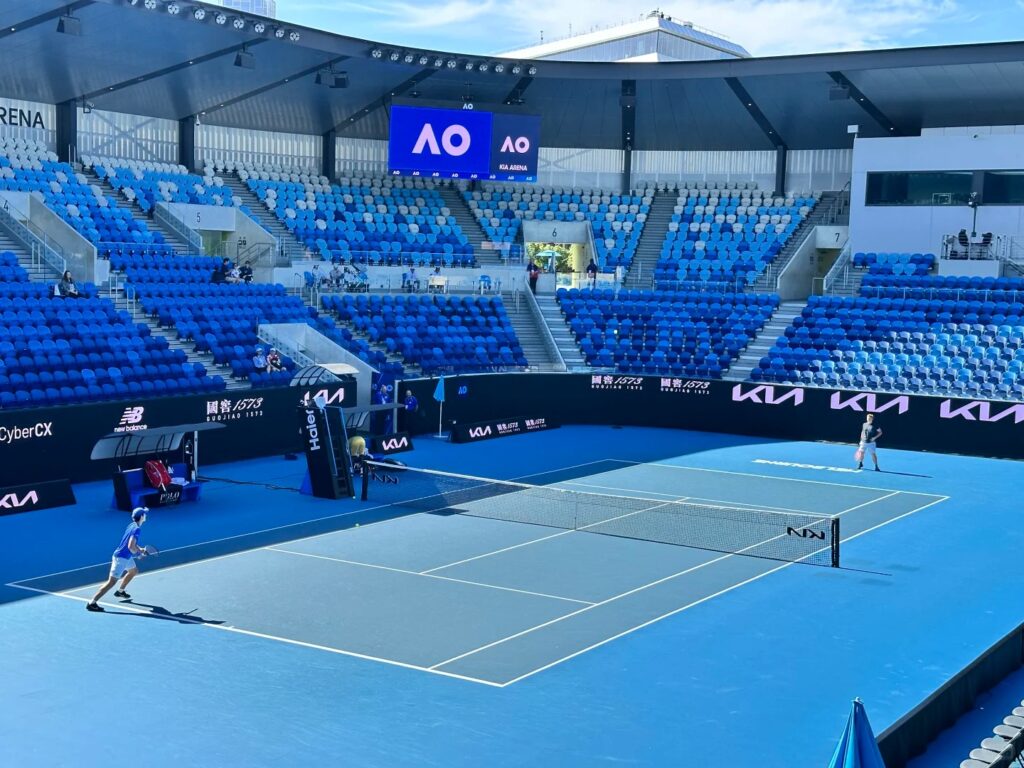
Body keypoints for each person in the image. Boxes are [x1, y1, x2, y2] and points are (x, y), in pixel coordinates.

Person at [86, 507, 149, 611]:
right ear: (141, 516)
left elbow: (131, 544)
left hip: (126, 556)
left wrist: (140, 549)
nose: (146, 515)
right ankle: (91, 603)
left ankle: (120, 591)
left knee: (133, 571)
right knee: (111, 582)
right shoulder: (137, 529)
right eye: (144, 514)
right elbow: (130, 546)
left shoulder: (132, 525)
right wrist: (139, 554)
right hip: (121, 558)